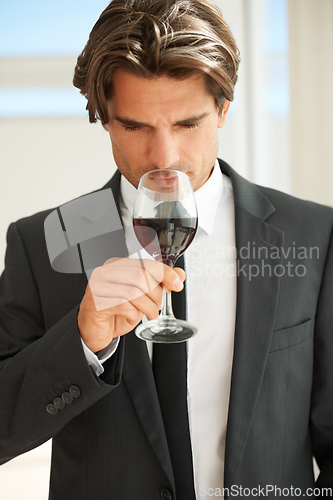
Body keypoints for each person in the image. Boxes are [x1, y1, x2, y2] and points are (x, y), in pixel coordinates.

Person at [0, 0, 333, 498]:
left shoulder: (314, 234)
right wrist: (82, 341)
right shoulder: (43, 239)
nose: (165, 156)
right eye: (134, 126)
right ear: (104, 118)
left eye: (186, 124)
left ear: (222, 109)